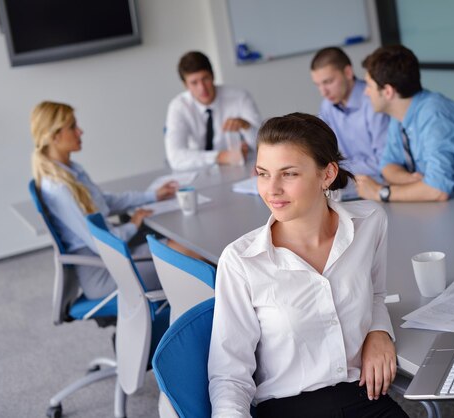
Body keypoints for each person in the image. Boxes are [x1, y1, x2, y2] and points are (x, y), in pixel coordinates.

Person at [208, 113, 408, 418]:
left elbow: (375, 293)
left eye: (288, 174)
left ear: (327, 175)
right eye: (263, 173)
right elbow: (229, 375)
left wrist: (379, 331)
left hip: (364, 396)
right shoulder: (240, 261)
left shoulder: (369, 222)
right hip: (288, 407)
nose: (271, 189)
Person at [30, 101, 178, 299]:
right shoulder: (59, 189)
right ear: (55, 136)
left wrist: (153, 196)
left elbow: (105, 201)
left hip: (113, 258)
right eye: (73, 127)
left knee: (170, 237)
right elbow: (102, 243)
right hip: (106, 272)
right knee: (185, 253)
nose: (80, 131)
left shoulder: (71, 171)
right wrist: (133, 224)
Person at [355, 45, 454, 203]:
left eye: (369, 85)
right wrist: (410, 180)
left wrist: (380, 192)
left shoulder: (435, 116)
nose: (365, 92)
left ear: (388, 91)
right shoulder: (398, 116)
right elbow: (387, 165)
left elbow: (437, 190)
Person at [164, 51, 262, 170]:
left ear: (213, 75)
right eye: (194, 83)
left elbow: (263, 146)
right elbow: (175, 157)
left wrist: (247, 127)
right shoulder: (178, 106)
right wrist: (220, 156)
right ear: (186, 85)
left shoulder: (240, 97)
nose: (202, 88)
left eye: (205, 79)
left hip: (239, 168)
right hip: (199, 171)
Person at [310, 47, 390, 183]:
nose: (323, 92)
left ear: (347, 72)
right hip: (354, 183)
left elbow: (385, 163)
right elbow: (320, 149)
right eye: (318, 85)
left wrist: (336, 168)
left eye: (328, 82)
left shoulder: (375, 101)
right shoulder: (327, 106)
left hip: (384, 184)